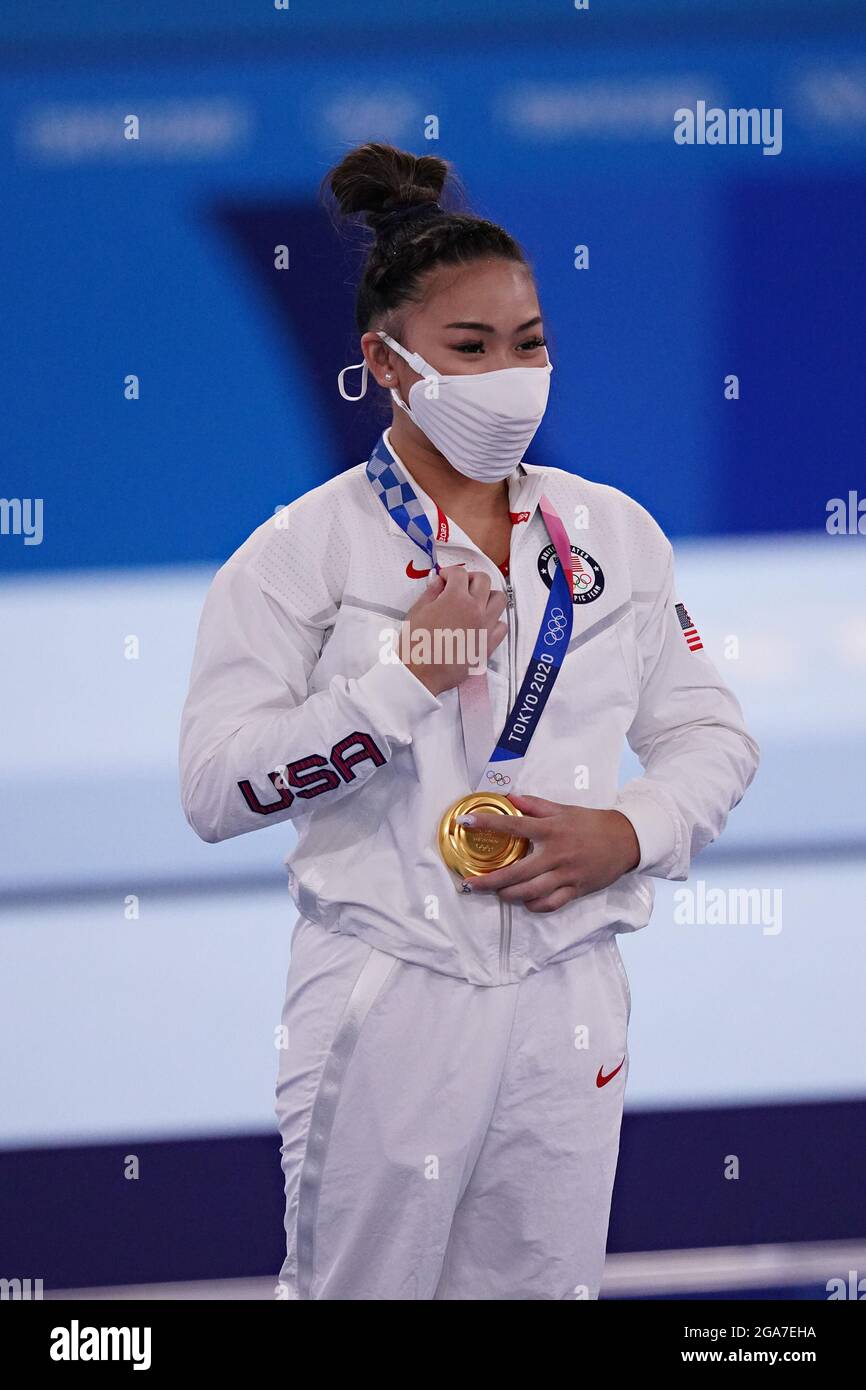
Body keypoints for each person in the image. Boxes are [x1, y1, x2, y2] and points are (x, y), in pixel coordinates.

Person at [178, 142, 760, 1301]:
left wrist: (628, 832)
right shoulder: (299, 554)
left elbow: (711, 736)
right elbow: (215, 791)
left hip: (570, 991)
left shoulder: (613, 535)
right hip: (388, 995)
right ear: (385, 364)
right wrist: (406, 678)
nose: (511, 372)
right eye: (470, 347)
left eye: (529, 341)